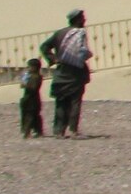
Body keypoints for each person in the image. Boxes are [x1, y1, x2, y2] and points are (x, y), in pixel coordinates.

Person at [39, 10, 92, 138]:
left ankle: (59, 131)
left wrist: (53, 59)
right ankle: (72, 130)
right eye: (82, 18)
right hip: (75, 72)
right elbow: (83, 52)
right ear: (77, 20)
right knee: (75, 101)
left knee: (61, 102)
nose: (84, 20)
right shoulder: (80, 33)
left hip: (62, 71)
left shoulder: (59, 34)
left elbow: (44, 47)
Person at [18, 57, 45, 139]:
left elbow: (33, 88)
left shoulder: (36, 77)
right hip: (27, 99)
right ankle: (35, 131)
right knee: (28, 116)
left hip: (32, 100)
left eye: (30, 67)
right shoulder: (30, 76)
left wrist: (25, 84)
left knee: (31, 117)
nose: (28, 68)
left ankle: (28, 132)